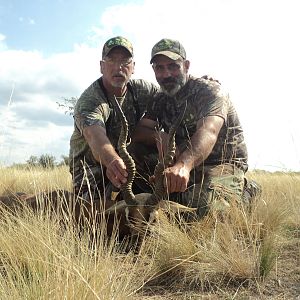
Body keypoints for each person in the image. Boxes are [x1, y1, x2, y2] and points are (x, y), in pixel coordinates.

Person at [133, 38, 261, 218]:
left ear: (186, 65)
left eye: (173, 66)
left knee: (202, 212)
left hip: (221, 163)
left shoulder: (209, 91)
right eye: (159, 68)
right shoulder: (160, 98)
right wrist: (159, 136)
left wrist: (183, 165)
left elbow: (209, 131)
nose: (166, 74)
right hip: (184, 164)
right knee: (135, 152)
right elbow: (140, 131)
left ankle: (246, 191)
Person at [69, 36, 159, 204]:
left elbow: (171, 96)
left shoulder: (144, 90)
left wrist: (196, 84)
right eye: (111, 61)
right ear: (102, 66)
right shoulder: (90, 100)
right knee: (94, 216)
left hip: (126, 163)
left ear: (133, 67)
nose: (118, 68)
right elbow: (95, 137)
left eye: (125, 61)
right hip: (92, 166)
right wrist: (111, 160)